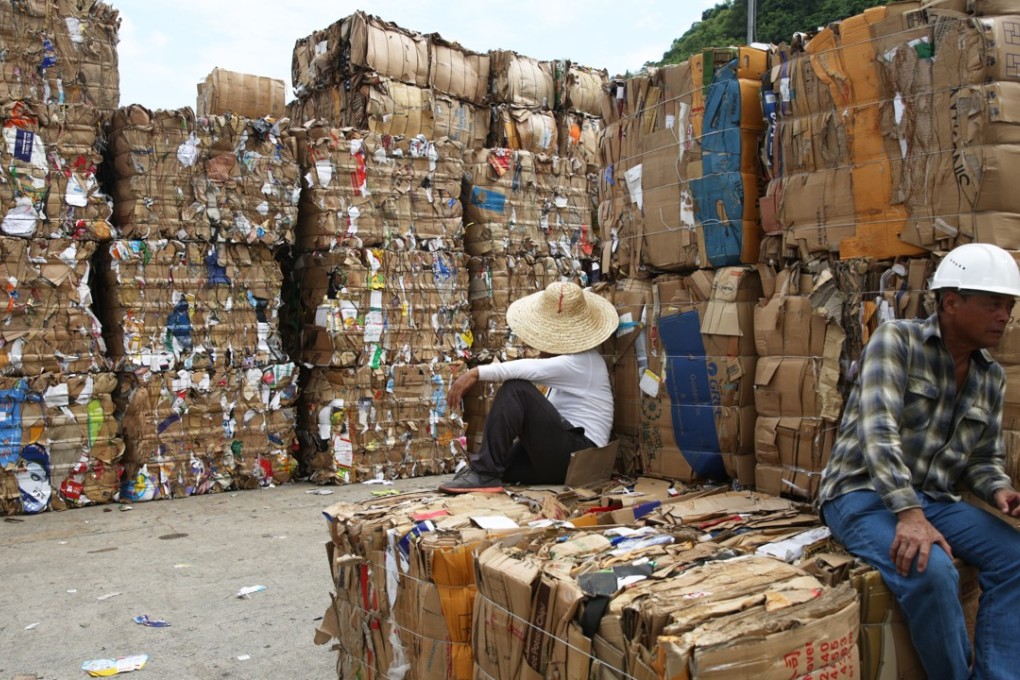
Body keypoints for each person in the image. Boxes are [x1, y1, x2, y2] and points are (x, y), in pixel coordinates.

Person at [818, 243, 1020, 680]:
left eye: (1009, 306)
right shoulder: (897, 342)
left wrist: (1000, 490)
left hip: (934, 501)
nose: (1005, 316)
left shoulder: (991, 377)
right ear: (951, 302)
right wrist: (908, 514)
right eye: (993, 305)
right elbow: (878, 432)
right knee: (930, 570)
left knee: (1015, 557)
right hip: (862, 494)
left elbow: (982, 459)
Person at [440, 280, 618, 494]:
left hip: (580, 455)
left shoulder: (583, 360)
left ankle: (484, 475)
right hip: (564, 457)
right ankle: (485, 472)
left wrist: (476, 373)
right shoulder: (569, 365)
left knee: (516, 390)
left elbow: (532, 368)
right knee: (502, 465)